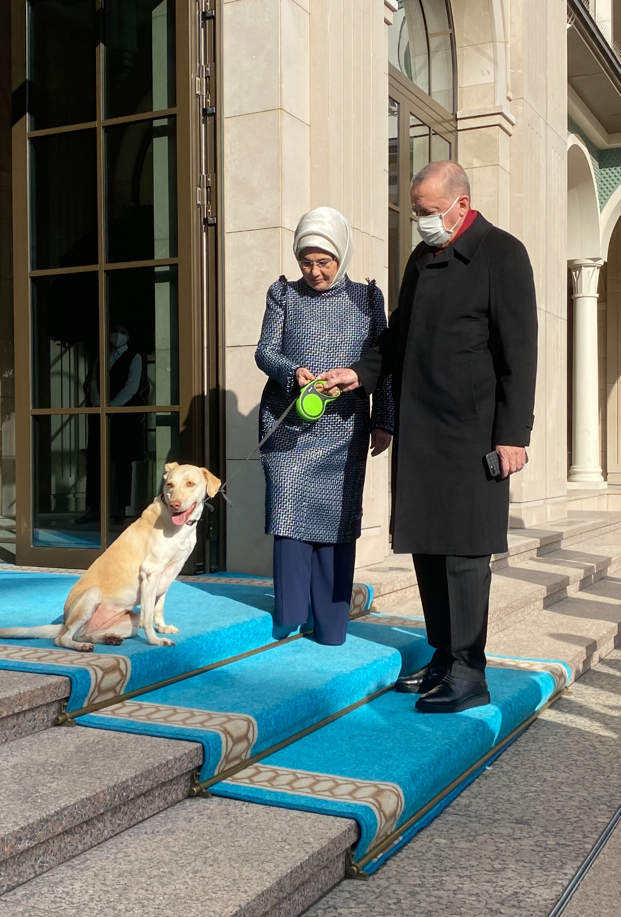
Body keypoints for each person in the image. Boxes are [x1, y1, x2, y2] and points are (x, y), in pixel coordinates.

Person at [321, 162, 538, 711]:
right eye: (416, 210)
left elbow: (520, 351)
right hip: (422, 432)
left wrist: (513, 435)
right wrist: (362, 373)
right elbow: (397, 332)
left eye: (425, 211)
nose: (419, 220)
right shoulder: (423, 258)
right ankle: (443, 656)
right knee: (427, 549)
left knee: (464, 551)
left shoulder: (502, 254)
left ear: (460, 206)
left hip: (472, 434)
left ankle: (471, 671)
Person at [255, 206, 394, 646]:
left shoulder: (368, 298)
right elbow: (264, 351)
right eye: (306, 261)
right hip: (289, 428)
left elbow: (384, 363)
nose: (314, 271)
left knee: (337, 521)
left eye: (324, 262)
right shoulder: (283, 295)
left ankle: (331, 623)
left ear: (342, 256)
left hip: (344, 427)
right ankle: (290, 613)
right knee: (287, 511)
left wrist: (384, 419)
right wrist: (292, 371)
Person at [78, 324, 147, 526]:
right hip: (100, 417)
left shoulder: (134, 357)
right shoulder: (102, 358)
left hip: (123, 419)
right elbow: (93, 383)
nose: (116, 336)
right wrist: (100, 407)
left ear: (127, 336)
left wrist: (112, 407)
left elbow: (131, 387)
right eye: (114, 332)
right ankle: (93, 509)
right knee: (95, 463)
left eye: (121, 332)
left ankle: (120, 509)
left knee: (122, 464)